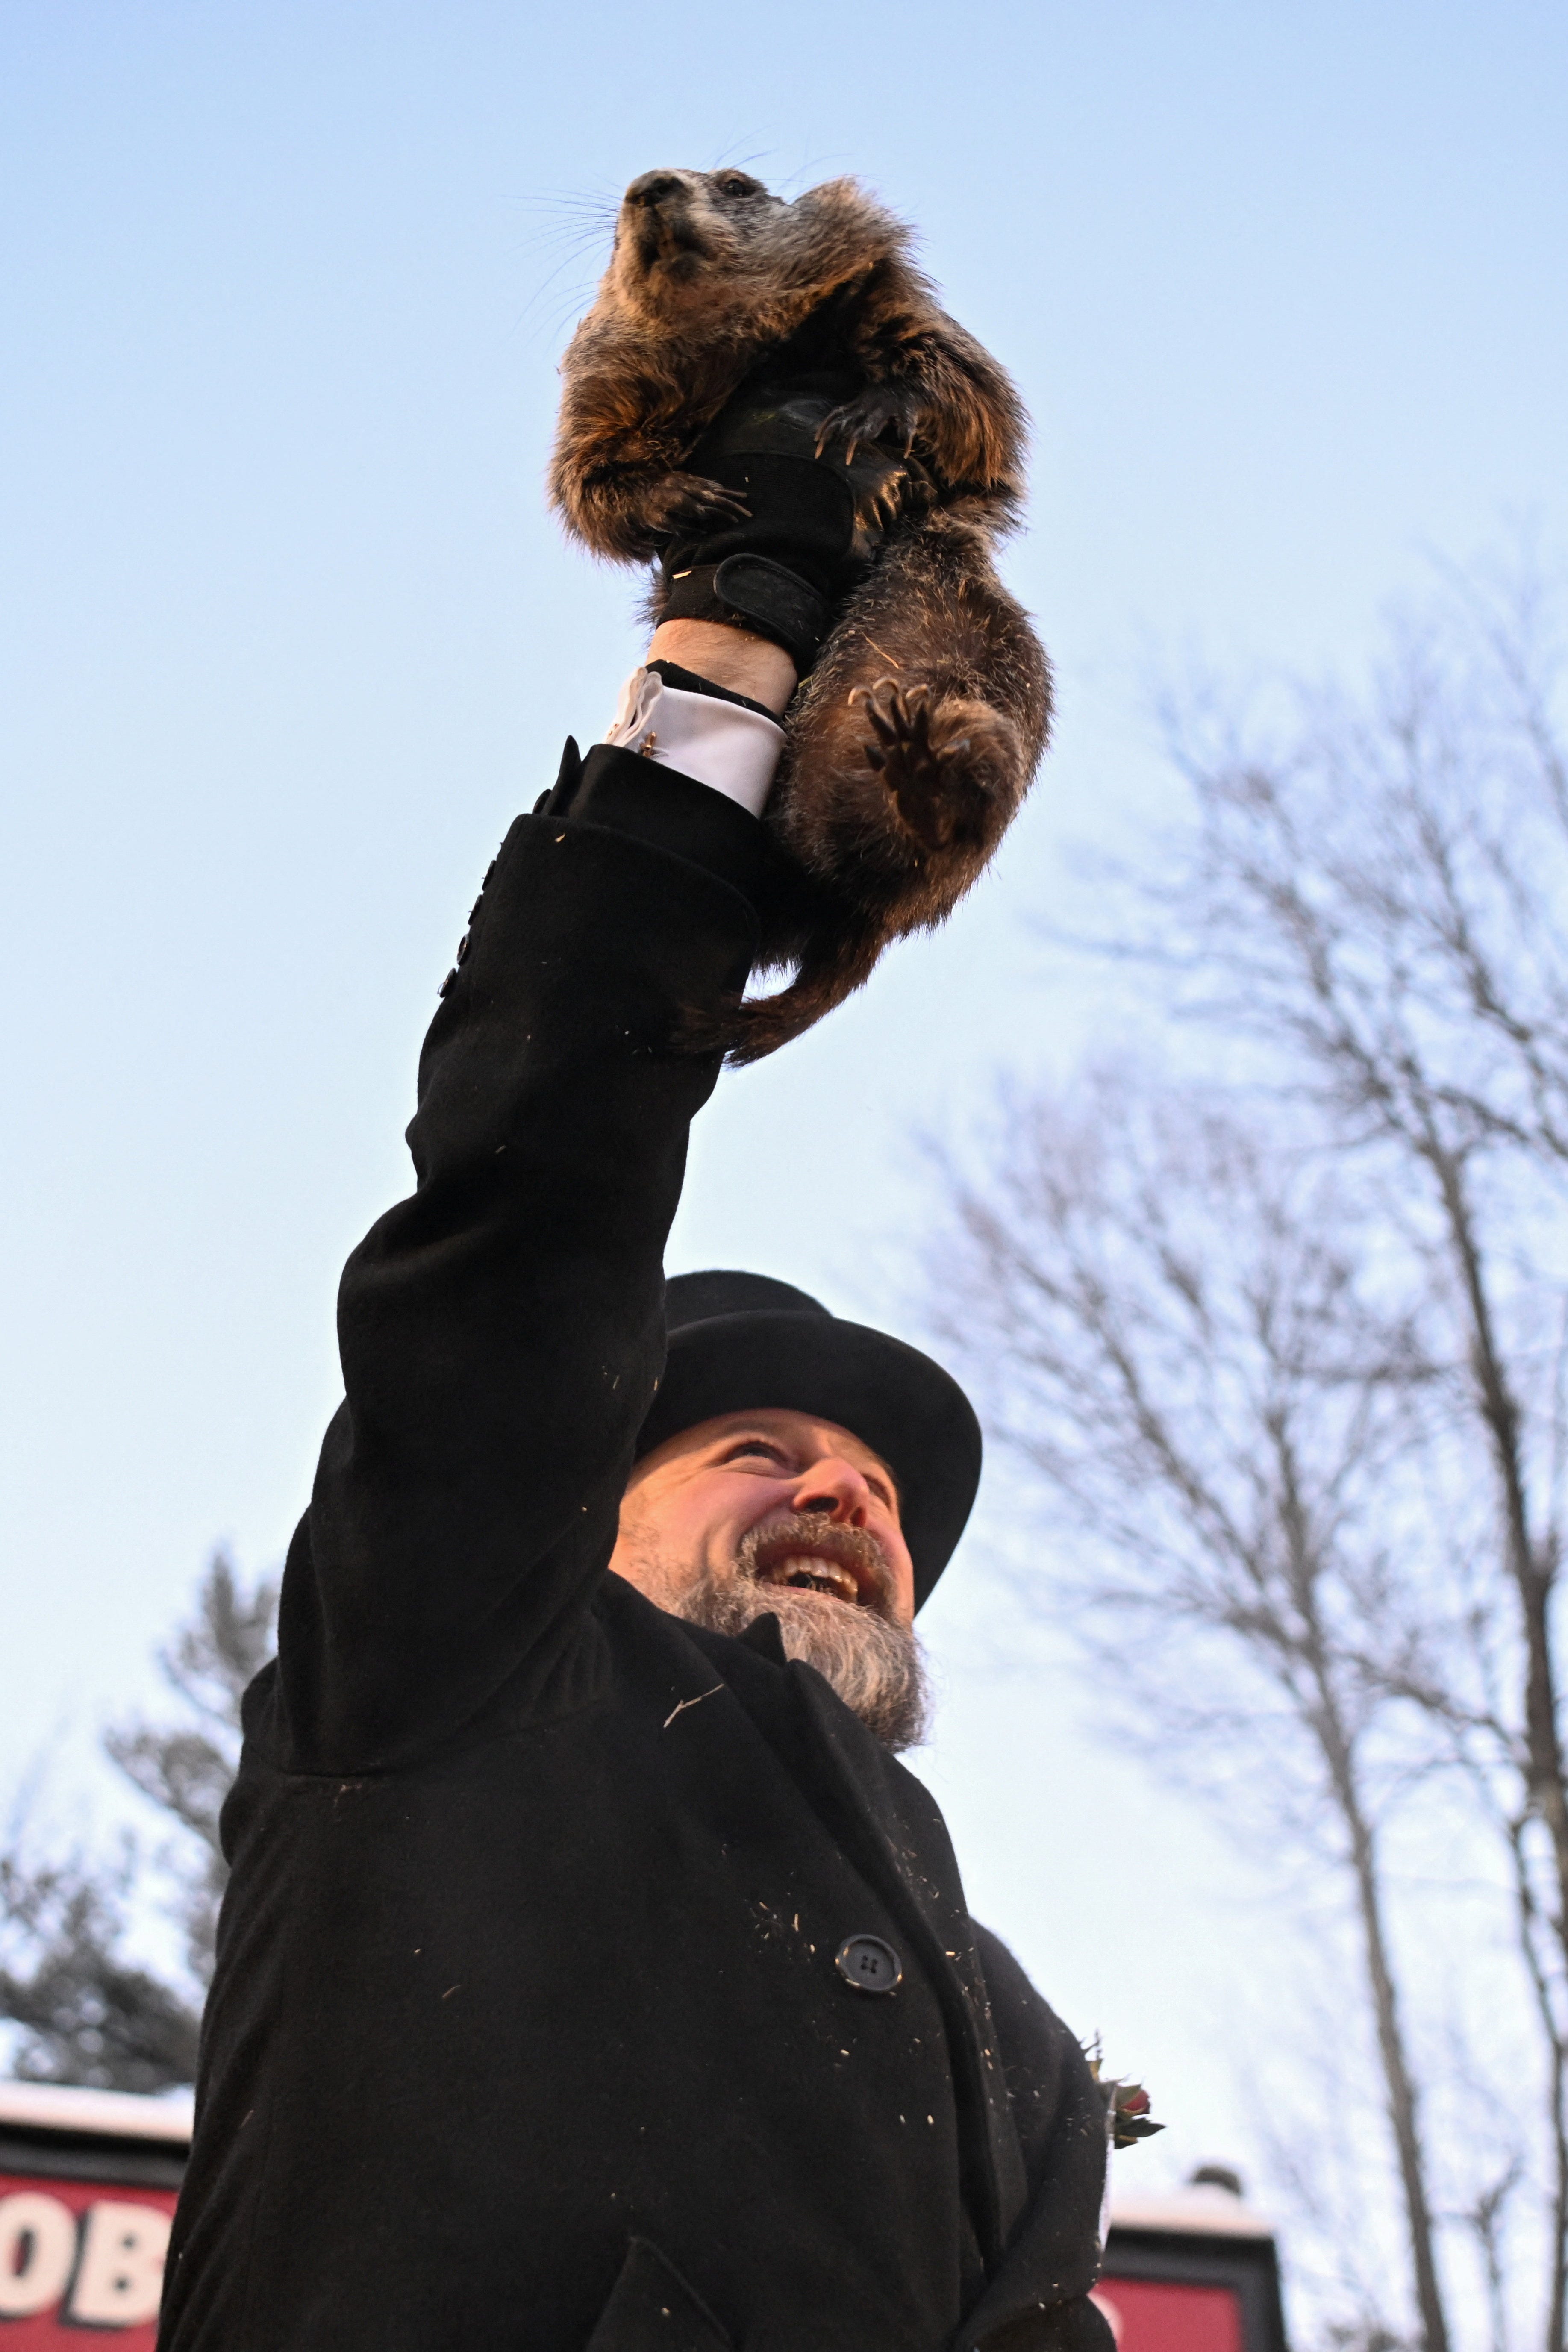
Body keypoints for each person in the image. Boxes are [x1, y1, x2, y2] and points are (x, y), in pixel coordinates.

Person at [157, 398, 1112, 2352]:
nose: (849, 1495)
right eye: (762, 1443)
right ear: (583, 1506)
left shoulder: (1014, 2046)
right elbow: (528, 1234)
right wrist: (724, 700)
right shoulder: (454, 1681)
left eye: (883, 1494)